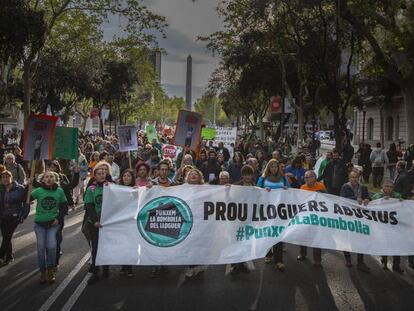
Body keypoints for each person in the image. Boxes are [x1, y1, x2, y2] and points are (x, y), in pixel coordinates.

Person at [31, 171, 68, 284]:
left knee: (52, 246)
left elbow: (64, 207)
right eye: (46, 177)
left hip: (53, 224)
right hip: (40, 224)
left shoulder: (60, 191)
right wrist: (27, 186)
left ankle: (50, 270)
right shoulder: (38, 191)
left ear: (55, 179)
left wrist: (58, 218)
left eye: (51, 176)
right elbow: (25, 199)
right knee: (41, 248)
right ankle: (42, 270)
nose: (49, 178)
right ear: (42, 180)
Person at [257, 159, 290, 270]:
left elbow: (290, 191)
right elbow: (256, 190)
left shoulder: (283, 178)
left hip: (279, 211)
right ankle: (268, 254)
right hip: (266, 209)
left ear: (278, 167)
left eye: (275, 166)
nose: (274, 168)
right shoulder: (263, 178)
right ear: (268, 168)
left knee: (278, 234)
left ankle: (279, 260)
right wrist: (262, 189)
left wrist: (286, 189)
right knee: (267, 232)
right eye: (271, 166)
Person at [340, 169, 370, 272]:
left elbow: (368, 197)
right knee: (347, 238)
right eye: (352, 177)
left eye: (356, 177)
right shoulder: (345, 187)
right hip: (348, 216)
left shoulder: (364, 187)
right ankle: (348, 259)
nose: (354, 179)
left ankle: (360, 261)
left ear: (359, 178)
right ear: (349, 178)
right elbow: (342, 199)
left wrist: (367, 199)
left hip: (360, 217)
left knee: (360, 239)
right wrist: (354, 199)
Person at [371, 179, 404, 273]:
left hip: (394, 225)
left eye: (390, 187)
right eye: (386, 186)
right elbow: (371, 206)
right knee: (384, 243)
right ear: (383, 187)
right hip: (382, 226)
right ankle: (384, 261)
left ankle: (396, 265)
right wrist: (381, 201)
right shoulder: (377, 196)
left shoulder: (397, 196)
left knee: (397, 245)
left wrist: (402, 202)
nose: (388, 189)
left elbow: (403, 208)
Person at [85, 166, 110, 285]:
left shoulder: (110, 186)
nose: (102, 175)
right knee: (96, 248)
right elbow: (89, 206)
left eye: (103, 173)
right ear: (95, 176)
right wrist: (95, 221)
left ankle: (106, 267)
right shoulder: (91, 189)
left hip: (108, 223)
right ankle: (95, 272)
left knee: (107, 247)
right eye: (99, 173)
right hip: (94, 224)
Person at [230, 165, 256, 275]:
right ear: (242, 175)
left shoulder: (256, 187)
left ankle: (243, 262)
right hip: (238, 218)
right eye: (245, 174)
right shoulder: (236, 186)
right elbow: (231, 198)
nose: (247, 177)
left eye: (249, 174)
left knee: (246, 241)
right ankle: (236, 264)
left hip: (250, 218)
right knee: (237, 240)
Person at [0, 170, 29, 266]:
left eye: (6, 177)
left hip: (15, 217)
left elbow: (26, 203)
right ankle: (9, 257)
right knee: (6, 237)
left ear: (11, 178)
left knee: (7, 236)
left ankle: (1, 256)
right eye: (3, 177)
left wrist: (23, 215)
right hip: (3, 217)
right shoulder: (1, 189)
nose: (4, 179)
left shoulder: (20, 188)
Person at [298, 170, 326, 267]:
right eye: (305, 177)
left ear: (314, 178)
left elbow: (327, 200)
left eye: (308, 177)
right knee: (303, 236)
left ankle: (317, 260)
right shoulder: (302, 187)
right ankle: (302, 254)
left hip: (317, 217)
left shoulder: (321, 186)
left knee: (316, 238)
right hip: (306, 216)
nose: (306, 179)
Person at [184, 169, 205, 279]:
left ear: (199, 177)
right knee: (189, 244)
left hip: (200, 220)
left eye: (195, 174)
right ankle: (191, 267)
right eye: (191, 174)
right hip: (187, 220)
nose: (193, 175)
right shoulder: (182, 188)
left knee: (199, 243)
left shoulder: (206, 189)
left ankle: (199, 263)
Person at [118, 169, 135, 278]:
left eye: (129, 176)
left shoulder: (136, 189)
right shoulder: (117, 189)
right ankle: (124, 266)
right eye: (124, 176)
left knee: (130, 245)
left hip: (132, 221)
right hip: (120, 222)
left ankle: (129, 268)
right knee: (122, 245)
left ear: (132, 178)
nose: (126, 178)